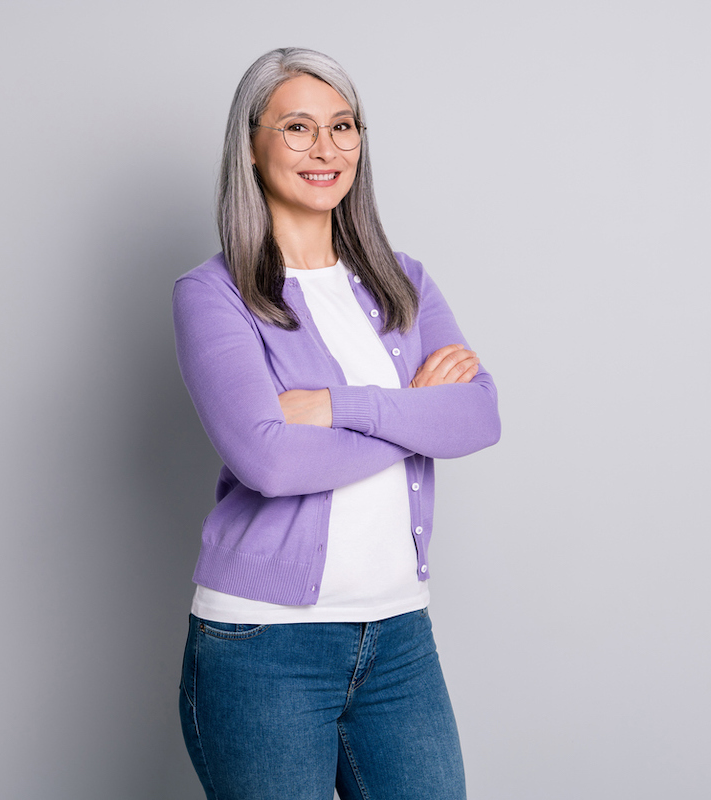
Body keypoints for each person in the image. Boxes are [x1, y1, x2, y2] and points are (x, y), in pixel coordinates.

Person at [173, 47, 500, 800]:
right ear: (251, 147)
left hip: (399, 640)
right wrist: (417, 413)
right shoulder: (213, 295)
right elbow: (272, 464)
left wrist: (335, 406)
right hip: (265, 647)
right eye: (297, 127)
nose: (327, 149)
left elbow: (478, 415)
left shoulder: (402, 279)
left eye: (343, 126)